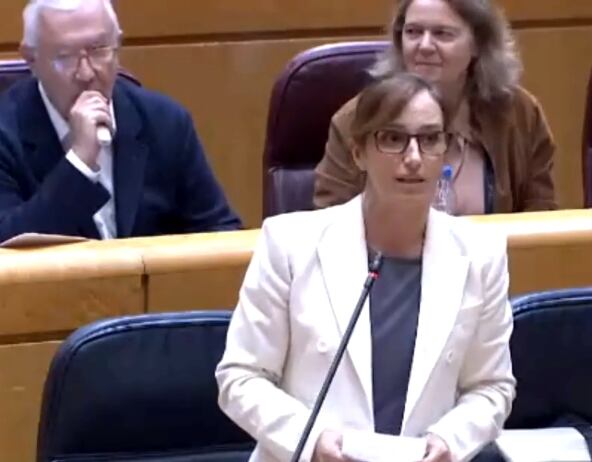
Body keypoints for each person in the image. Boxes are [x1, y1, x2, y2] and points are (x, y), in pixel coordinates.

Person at [217, 73, 515, 462]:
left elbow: (491, 387)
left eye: (430, 139)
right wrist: (311, 441)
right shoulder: (289, 245)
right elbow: (240, 377)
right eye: (392, 138)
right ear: (358, 152)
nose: (414, 157)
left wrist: (450, 440)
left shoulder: (480, 254)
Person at [0, 0, 241, 241]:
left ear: (117, 46)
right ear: (31, 59)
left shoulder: (165, 121)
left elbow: (221, 231)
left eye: (98, 50)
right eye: (65, 57)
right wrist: (79, 164)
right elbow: (6, 243)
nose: (86, 73)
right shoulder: (5, 133)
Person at [314, 0, 556, 215]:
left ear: (477, 44)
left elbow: (540, 220)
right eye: (413, 32)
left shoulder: (520, 114)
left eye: (442, 34)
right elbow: (330, 223)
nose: (425, 45)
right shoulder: (355, 119)